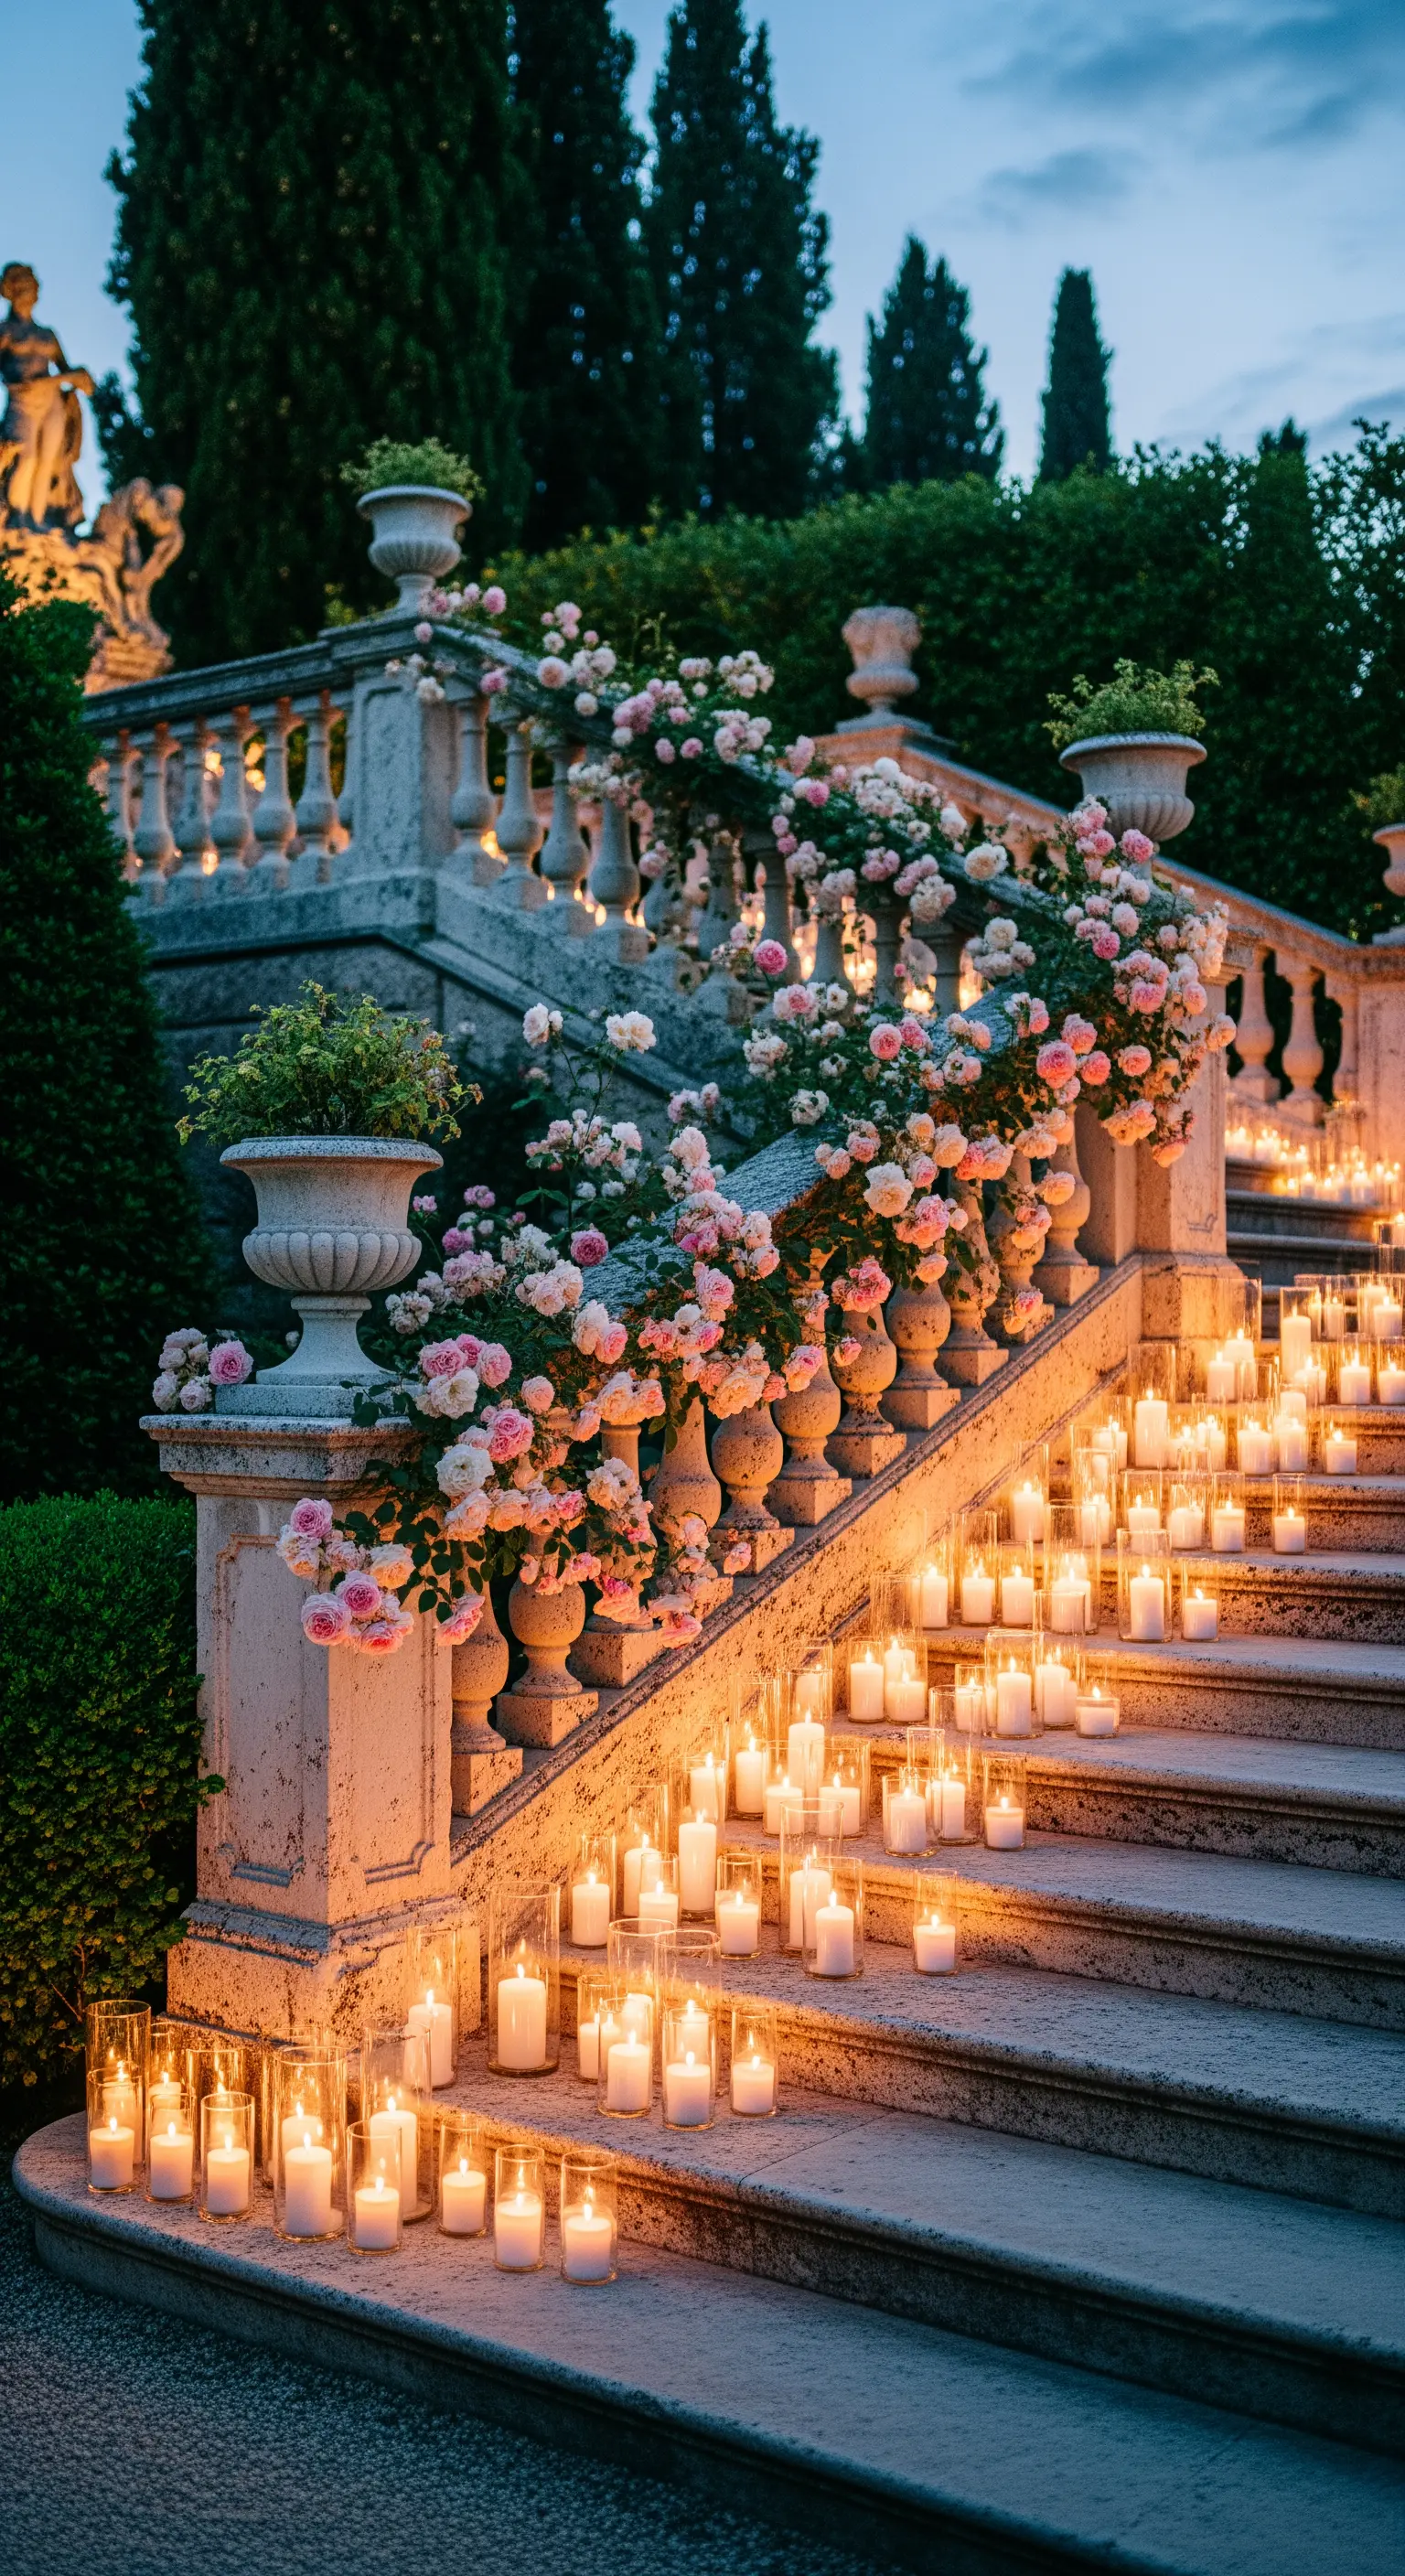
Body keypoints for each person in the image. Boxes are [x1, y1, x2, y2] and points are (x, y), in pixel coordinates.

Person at [0, 262, 94, 531]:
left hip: (51, 403)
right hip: (22, 404)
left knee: (47, 462)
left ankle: (36, 522)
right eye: (28, 286)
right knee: (25, 459)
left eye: (34, 286)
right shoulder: (6, 331)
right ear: (14, 290)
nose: (34, 291)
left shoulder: (47, 335)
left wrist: (79, 378)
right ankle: (17, 519)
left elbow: (67, 370)